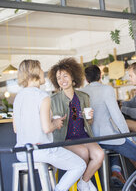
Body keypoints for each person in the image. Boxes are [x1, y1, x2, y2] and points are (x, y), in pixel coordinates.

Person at [13, 59, 87, 191]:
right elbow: (47, 128)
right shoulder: (42, 96)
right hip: (41, 150)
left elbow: (16, 129)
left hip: (21, 152)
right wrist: (56, 122)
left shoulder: (18, 97)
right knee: (80, 165)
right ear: (35, 72)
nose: (43, 72)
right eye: (41, 69)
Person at [82, 65, 136, 191]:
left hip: (93, 142)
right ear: (100, 76)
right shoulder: (106, 89)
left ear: (86, 79)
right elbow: (117, 116)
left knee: (117, 151)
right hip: (110, 138)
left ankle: (116, 171)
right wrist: (127, 136)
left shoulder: (82, 92)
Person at [48, 57, 104, 191]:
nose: (62, 80)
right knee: (84, 153)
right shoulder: (52, 100)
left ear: (73, 77)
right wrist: (55, 122)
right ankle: (81, 183)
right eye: (59, 77)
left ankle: (83, 182)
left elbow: (88, 122)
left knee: (99, 154)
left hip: (83, 136)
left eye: (65, 76)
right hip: (65, 139)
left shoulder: (84, 97)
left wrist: (90, 118)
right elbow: (49, 123)